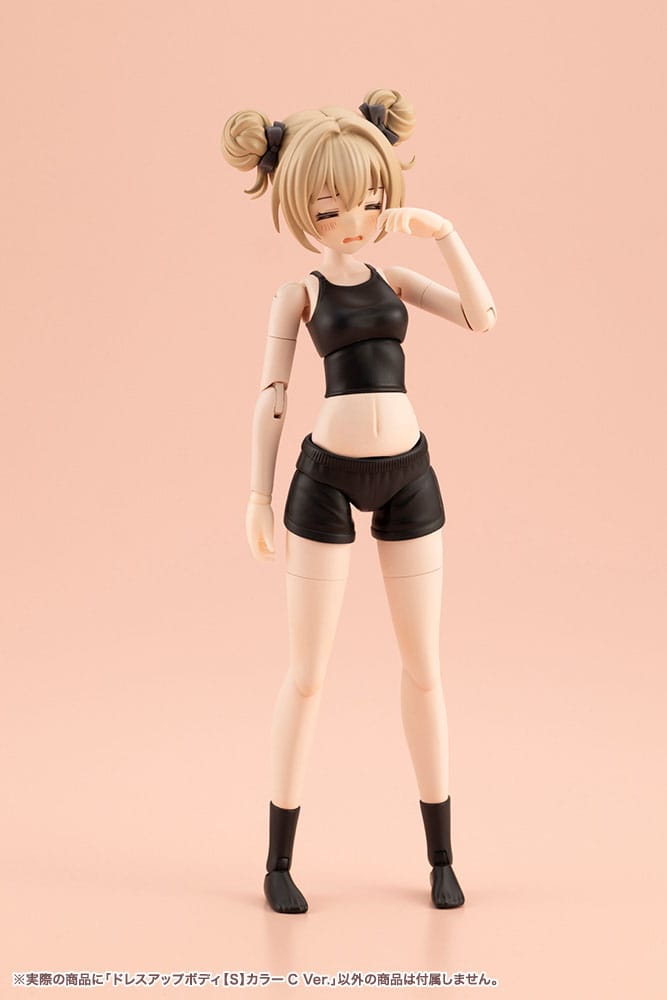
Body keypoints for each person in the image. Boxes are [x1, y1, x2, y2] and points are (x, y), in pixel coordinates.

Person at [222, 89, 496, 913]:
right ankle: (277, 864)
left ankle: (441, 858)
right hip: (325, 483)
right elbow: (272, 396)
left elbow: (481, 317)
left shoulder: (396, 278)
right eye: (330, 206)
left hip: (409, 474)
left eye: (370, 200)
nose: (354, 219)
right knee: (307, 676)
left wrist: (444, 233)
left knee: (424, 670)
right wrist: (257, 494)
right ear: (299, 205)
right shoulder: (299, 293)